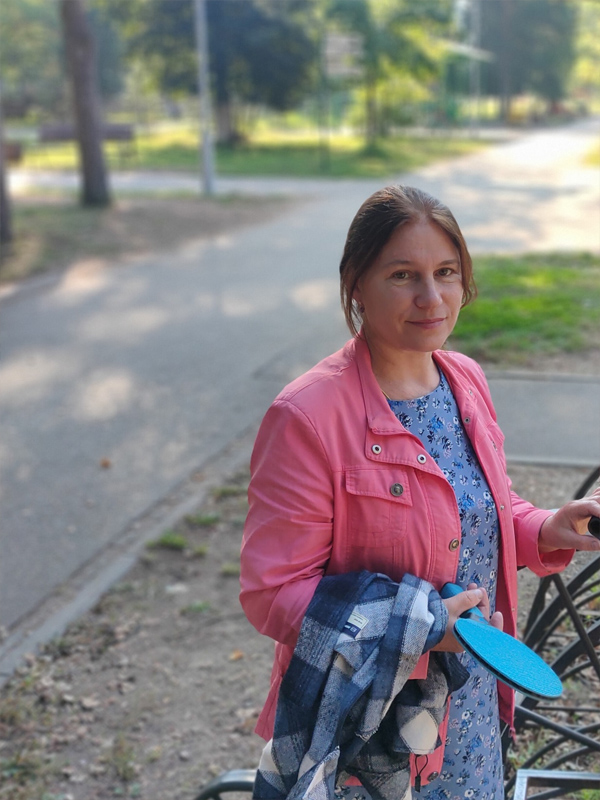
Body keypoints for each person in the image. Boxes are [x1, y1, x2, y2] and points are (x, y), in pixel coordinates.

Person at [240, 185, 600, 799]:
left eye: (446, 273)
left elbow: (475, 513)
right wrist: (421, 627)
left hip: (473, 702)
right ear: (357, 284)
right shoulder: (307, 416)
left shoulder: (465, 379)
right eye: (403, 275)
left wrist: (544, 527)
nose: (431, 298)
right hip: (366, 727)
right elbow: (271, 593)